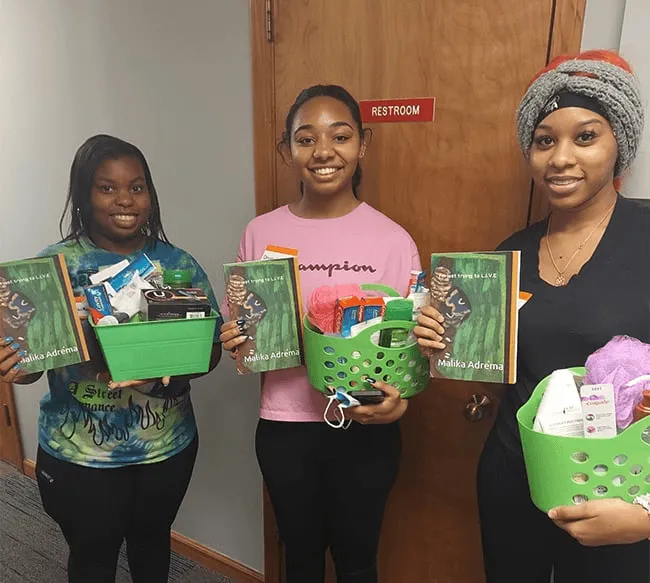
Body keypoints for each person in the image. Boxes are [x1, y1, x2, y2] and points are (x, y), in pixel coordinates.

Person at [414, 50, 650, 582]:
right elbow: (499, 385)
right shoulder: (506, 258)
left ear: (620, 146)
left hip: (618, 493)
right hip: (511, 478)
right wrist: (441, 345)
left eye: (585, 137)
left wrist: (647, 514)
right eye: (545, 140)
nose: (560, 158)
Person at [219, 85, 420, 583]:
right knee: (300, 561)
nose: (324, 151)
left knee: (358, 563)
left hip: (366, 429)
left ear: (362, 144)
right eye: (306, 139)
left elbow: (408, 348)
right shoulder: (259, 233)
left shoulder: (394, 239)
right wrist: (235, 342)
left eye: (341, 136)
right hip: (285, 429)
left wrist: (399, 404)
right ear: (288, 151)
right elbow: (244, 339)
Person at [0, 134, 223, 583]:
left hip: (166, 448)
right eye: (107, 187)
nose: (125, 199)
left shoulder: (178, 264)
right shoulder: (54, 267)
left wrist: (172, 371)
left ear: (151, 195)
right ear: (83, 196)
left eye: (137, 187)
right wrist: (14, 365)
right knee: (93, 561)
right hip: (79, 457)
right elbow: (32, 365)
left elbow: (210, 349)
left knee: (152, 547)